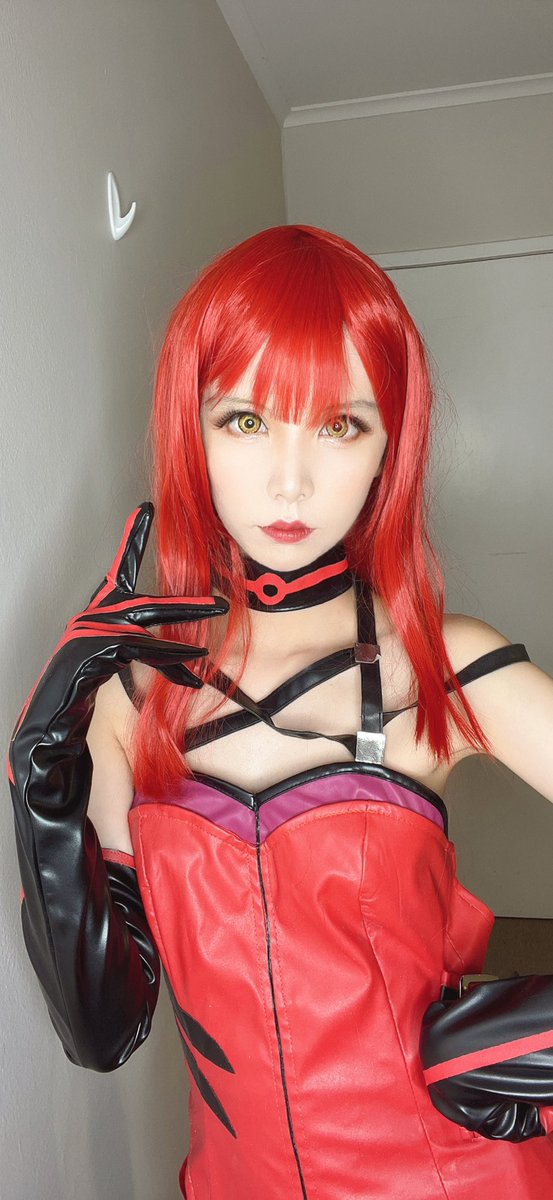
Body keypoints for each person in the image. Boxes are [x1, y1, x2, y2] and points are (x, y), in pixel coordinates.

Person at [8, 224, 553, 1199]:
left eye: (339, 425)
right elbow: (103, 1031)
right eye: (247, 419)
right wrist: (39, 784)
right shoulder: (133, 697)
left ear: (389, 446)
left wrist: (523, 1038)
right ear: (192, 427)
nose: (290, 480)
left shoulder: (446, 669)